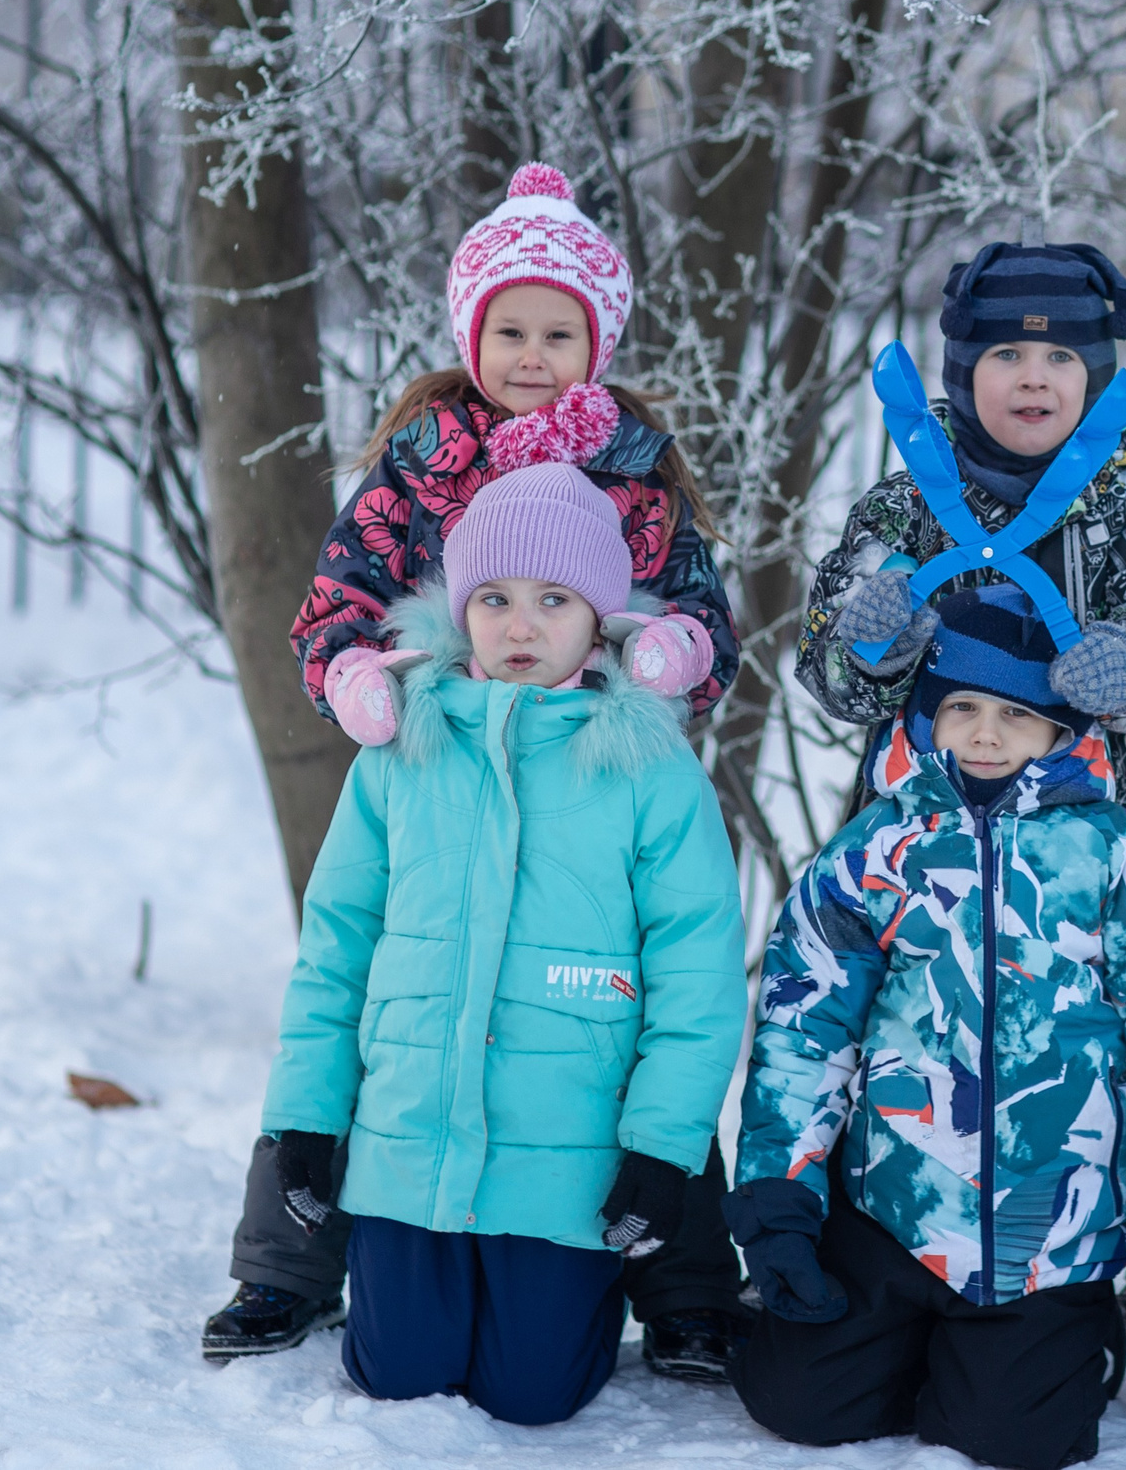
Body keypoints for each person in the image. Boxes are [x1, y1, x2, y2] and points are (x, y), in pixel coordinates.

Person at [206, 163, 749, 1385]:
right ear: (471, 335)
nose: (533, 356)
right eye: (511, 331)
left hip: (594, 752)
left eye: (560, 333)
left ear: (597, 343)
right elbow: (341, 591)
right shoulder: (424, 455)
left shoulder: (634, 462)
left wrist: (674, 652)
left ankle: (684, 1286)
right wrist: (353, 672)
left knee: (619, 1000)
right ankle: (287, 1262)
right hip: (441, 745)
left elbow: (701, 611)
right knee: (384, 989)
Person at [733, 587, 1126, 1462]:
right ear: (928, 714)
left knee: (1012, 1436)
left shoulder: (1116, 854)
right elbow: (806, 1026)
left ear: (1063, 730)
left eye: (1017, 714)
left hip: (1048, 1233)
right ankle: (911, 1338)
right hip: (894, 1210)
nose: (985, 734)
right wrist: (780, 1196)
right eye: (962, 707)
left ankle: (1076, 1340)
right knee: (796, 1401)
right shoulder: (879, 847)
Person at [256, 465, 746, 1424]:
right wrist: (305, 1117)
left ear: (598, 616)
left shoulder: (649, 766)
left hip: (565, 1156)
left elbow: (697, 969)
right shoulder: (402, 750)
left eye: (553, 599)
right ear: (460, 607)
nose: (521, 625)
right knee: (395, 1372)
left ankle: (578, 1301)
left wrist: (661, 1148)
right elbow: (337, 946)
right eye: (494, 598)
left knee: (534, 1392)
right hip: (411, 1144)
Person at [796, 242, 1126, 859]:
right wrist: (868, 647)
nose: (1034, 376)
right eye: (1006, 354)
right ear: (963, 371)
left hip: (1102, 844)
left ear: (1096, 378)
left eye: (1060, 356)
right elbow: (829, 669)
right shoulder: (905, 505)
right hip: (921, 848)